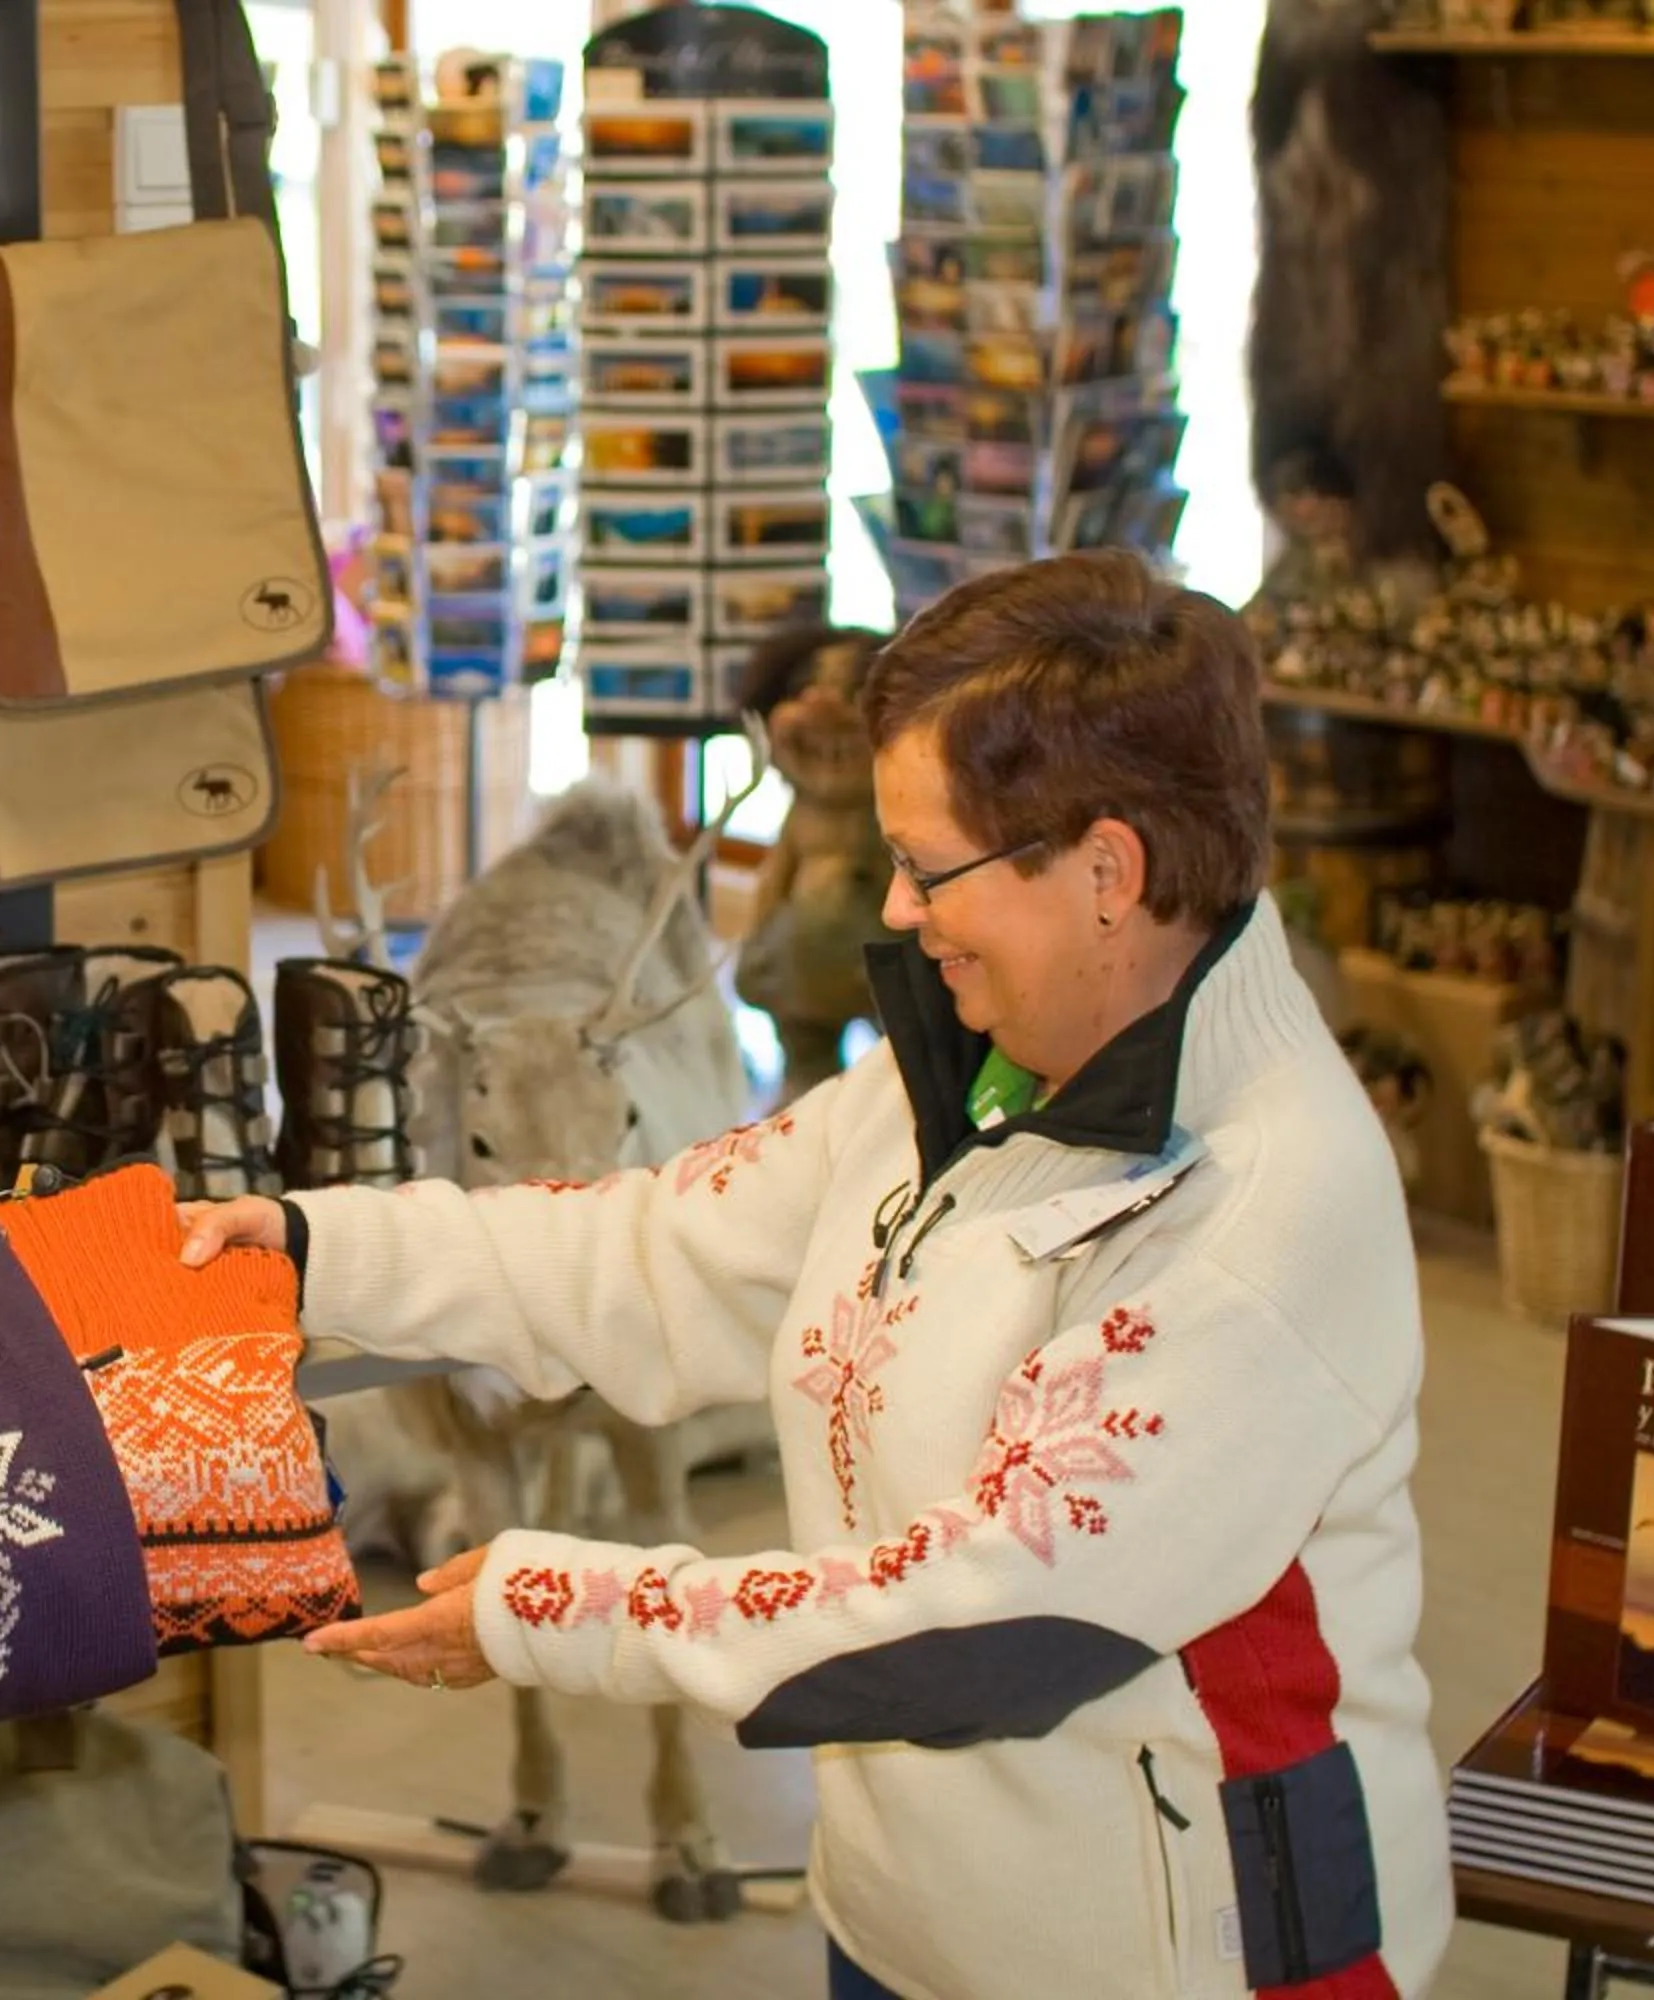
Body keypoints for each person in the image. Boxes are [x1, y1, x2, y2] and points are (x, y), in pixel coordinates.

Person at [185, 551, 1452, 1999]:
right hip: (899, 1924)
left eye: (931, 866)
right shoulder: (961, 1076)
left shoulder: (1266, 1212)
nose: (898, 912)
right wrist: (318, 1248)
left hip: (1188, 1961)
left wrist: (556, 1611)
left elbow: (985, 1620)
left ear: (1109, 872)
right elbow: (654, 1248)